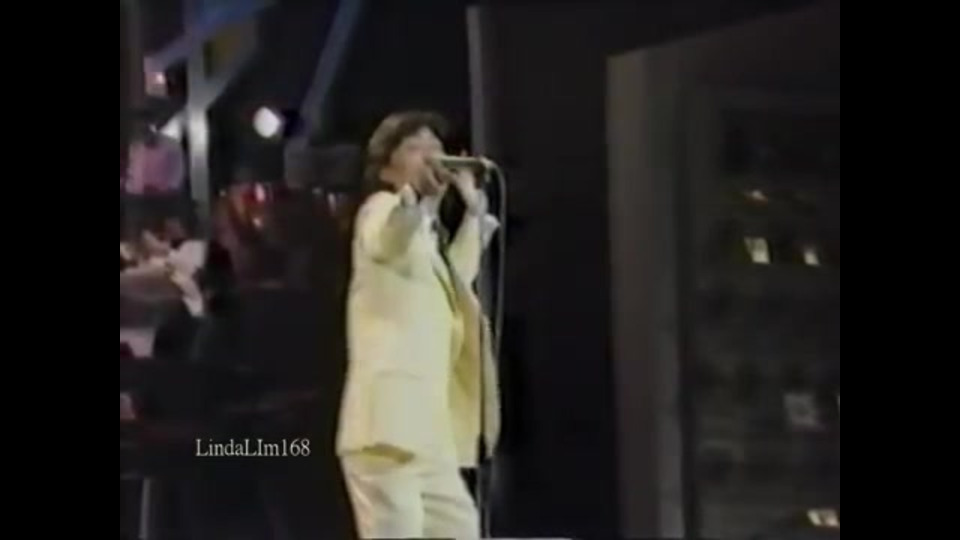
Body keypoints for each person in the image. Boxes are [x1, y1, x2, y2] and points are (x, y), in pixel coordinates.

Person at [336, 111, 501, 538]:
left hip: (430, 434)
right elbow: (389, 237)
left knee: (462, 529)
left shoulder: (428, 239)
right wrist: (413, 198)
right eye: (414, 147)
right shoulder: (380, 210)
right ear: (387, 170)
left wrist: (474, 214)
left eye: (435, 146)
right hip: (387, 430)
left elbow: (454, 281)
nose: (430, 155)